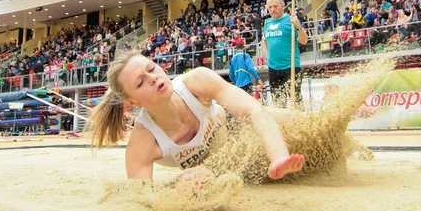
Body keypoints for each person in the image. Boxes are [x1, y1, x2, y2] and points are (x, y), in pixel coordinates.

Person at [89, 51, 305, 180]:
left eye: (152, 68)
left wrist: (279, 157)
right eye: (140, 82)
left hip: (233, 130)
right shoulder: (143, 142)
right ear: (133, 102)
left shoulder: (197, 81)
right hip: (212, 167)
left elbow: (254, 110)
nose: (153, 78)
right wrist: (182, 190)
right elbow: (141, 197)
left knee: (295, 125)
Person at [262, 0, 308, 110]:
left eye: (275, 6)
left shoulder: (291, 20)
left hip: (290, 66)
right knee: (278, 101)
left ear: (282, 6)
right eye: (270, 7)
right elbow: (264, 40)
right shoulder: (267, 22)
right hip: (273, 68)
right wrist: (267, 55)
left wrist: (298, 25)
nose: (272, 9)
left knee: (295, 99)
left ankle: (301, 123)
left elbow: (304, 41)